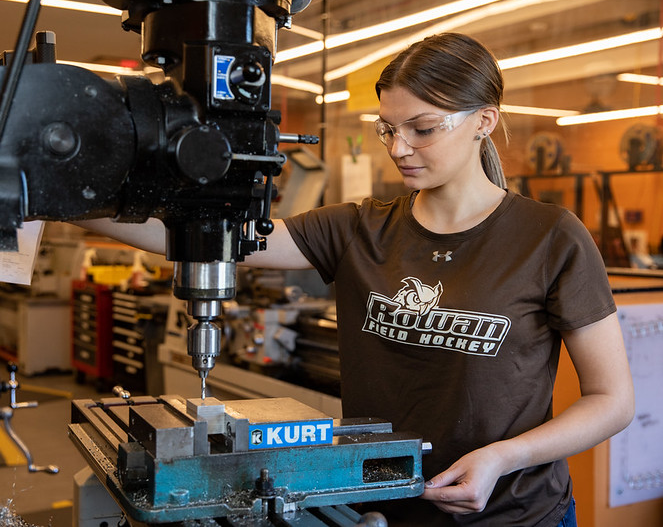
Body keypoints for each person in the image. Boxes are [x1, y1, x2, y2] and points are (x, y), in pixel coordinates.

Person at [78, 33, 634, 527]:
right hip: (375, 508)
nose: (398, 148)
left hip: (514, 513)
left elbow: (611, 401)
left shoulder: (549, 237)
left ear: (483, 121)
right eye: (387, 129)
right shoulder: (356, 228)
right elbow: (193, 233)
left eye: (422, 129)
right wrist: (59, 197)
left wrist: (502, 457)